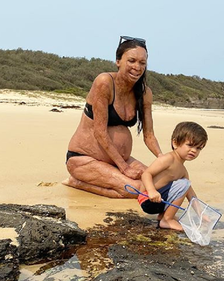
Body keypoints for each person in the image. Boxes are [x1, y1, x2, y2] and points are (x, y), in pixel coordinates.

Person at [63, 36, 162, 198]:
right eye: (131, 61)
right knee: (135, 189)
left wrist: (162, 159)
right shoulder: (104, 82)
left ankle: (113, 179)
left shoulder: (144, 93)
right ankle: (77, 182)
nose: (137, 67)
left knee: (158, 181)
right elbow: (100, 132)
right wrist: (124, 168)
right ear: (118, 61)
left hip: (116, 160)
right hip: (84, 160)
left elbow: (149, 135)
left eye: (142, 63)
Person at [138, 121, 208, 230]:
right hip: (148, 199)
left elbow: (191, 195)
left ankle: (163, 215)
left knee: (186, 185)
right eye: (190, 145)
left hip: (160, 201)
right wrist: (151, 191)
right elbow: (146, 174)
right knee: (184, 184)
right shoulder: (168, 159)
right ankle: (167, 220)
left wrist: (201, 213)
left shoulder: (183, 171)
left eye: (198, 148)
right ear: (175, 143)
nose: (194, 150)